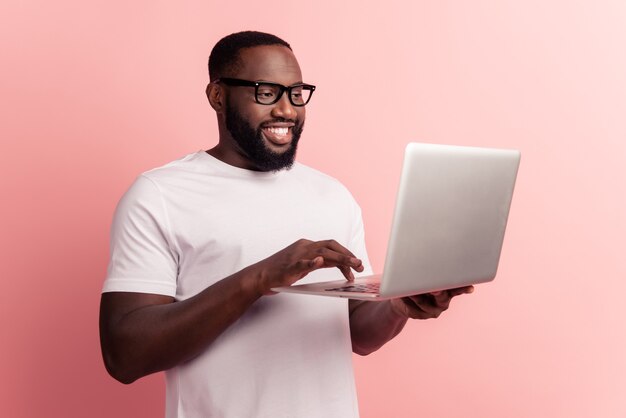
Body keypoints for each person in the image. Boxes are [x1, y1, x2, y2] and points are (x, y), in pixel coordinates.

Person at [99, 30, 473, 418]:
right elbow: (125, 355)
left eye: (296, 94)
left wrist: (398, 305)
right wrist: (259, 279)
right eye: (266, 92)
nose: (287, 110)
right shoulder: (160, 194)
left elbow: (358, 333)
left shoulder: (333, 195)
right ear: (217, 96)